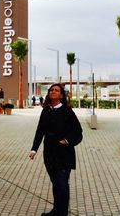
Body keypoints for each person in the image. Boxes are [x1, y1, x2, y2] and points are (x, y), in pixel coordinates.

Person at [29, 83, 83, 216]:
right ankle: (56, 211)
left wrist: (66, 141)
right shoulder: (46, 110)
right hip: (49, 155)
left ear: (61, 95)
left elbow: (78, 132)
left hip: (64, 154)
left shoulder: (67, 111)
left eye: (56, 90)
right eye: (51, 90)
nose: (53, 92)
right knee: (56, 184)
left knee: (62, 185)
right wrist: (34, 149)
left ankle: (62, 213)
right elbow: (39, 131)